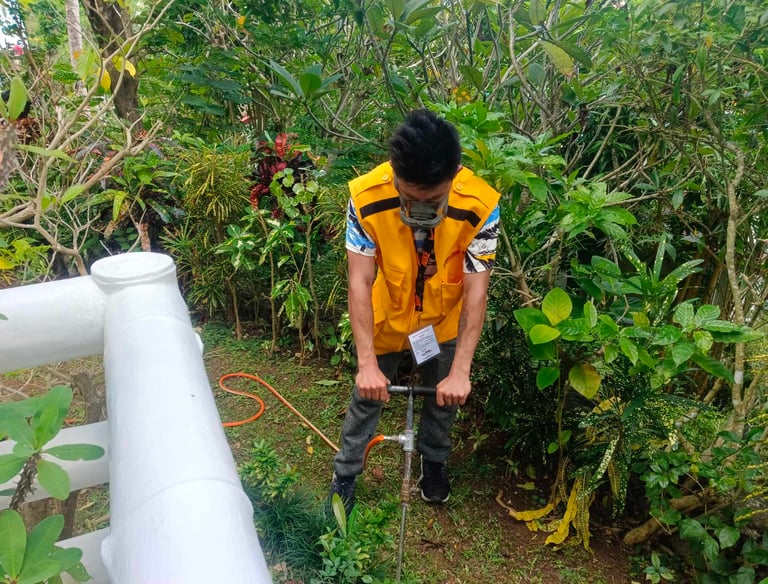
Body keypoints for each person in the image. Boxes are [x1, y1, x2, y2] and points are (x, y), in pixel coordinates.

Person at [330, 109, 501, 514]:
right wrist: (367, 364)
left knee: (445, 397)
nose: (420, 208)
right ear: (393, 171)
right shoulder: (365, 198)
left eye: (432, 200)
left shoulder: (481, 205)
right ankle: (346, 473)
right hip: (386, 315)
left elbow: (477, 291)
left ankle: (435, 463)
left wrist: (461, 372)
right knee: (366, 396)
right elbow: (358, 280)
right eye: (410, 198)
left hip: (442, 317)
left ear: (455, 174)